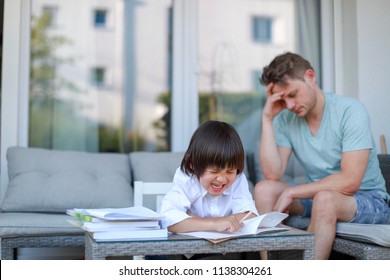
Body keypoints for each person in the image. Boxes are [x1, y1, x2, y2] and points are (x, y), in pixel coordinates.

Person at [253, 52, 390, 259]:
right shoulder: (285, 120)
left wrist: (292, 192)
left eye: (292, 94)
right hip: (316, 197)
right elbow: (273, 173)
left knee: (325, 200)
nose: (289, 105)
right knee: (264, 189)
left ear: (310, 76)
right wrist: (267, 118)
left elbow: (350, 182)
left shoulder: (350, 111)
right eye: (283, 99)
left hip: (368, 199)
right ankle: (270, 267)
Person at [159, 120, 258, 259]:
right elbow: (167, 220)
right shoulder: (188, 180)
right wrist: (215, 223)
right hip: (191, 253)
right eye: (214, 171)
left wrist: (195, 221)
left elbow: (250, 216)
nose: (222, 179)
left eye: (230, 171)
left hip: (227, 250)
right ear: (193, 164)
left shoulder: (237, 179)